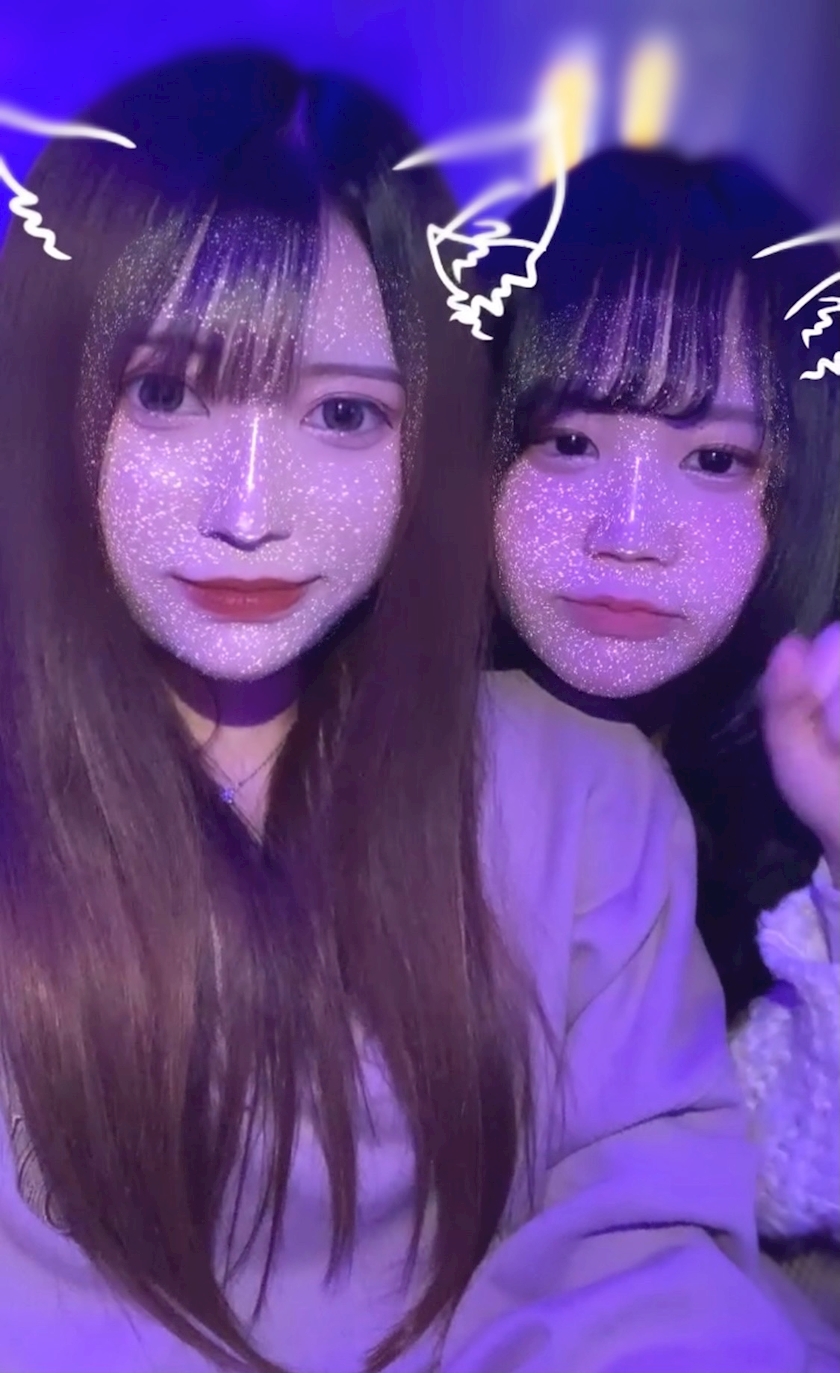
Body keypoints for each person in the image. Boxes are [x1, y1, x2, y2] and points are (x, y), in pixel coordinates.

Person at [0, 51, 829, 1372]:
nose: (250, 509)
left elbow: (650, 1245)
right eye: (168, 391)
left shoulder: (587, 796)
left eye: (342, 412)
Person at [490, 146, 840, 1327]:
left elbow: (773, 1186)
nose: (630, 531)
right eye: (569, 442)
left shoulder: (792, 780)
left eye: (716, 459)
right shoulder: (350, 742)